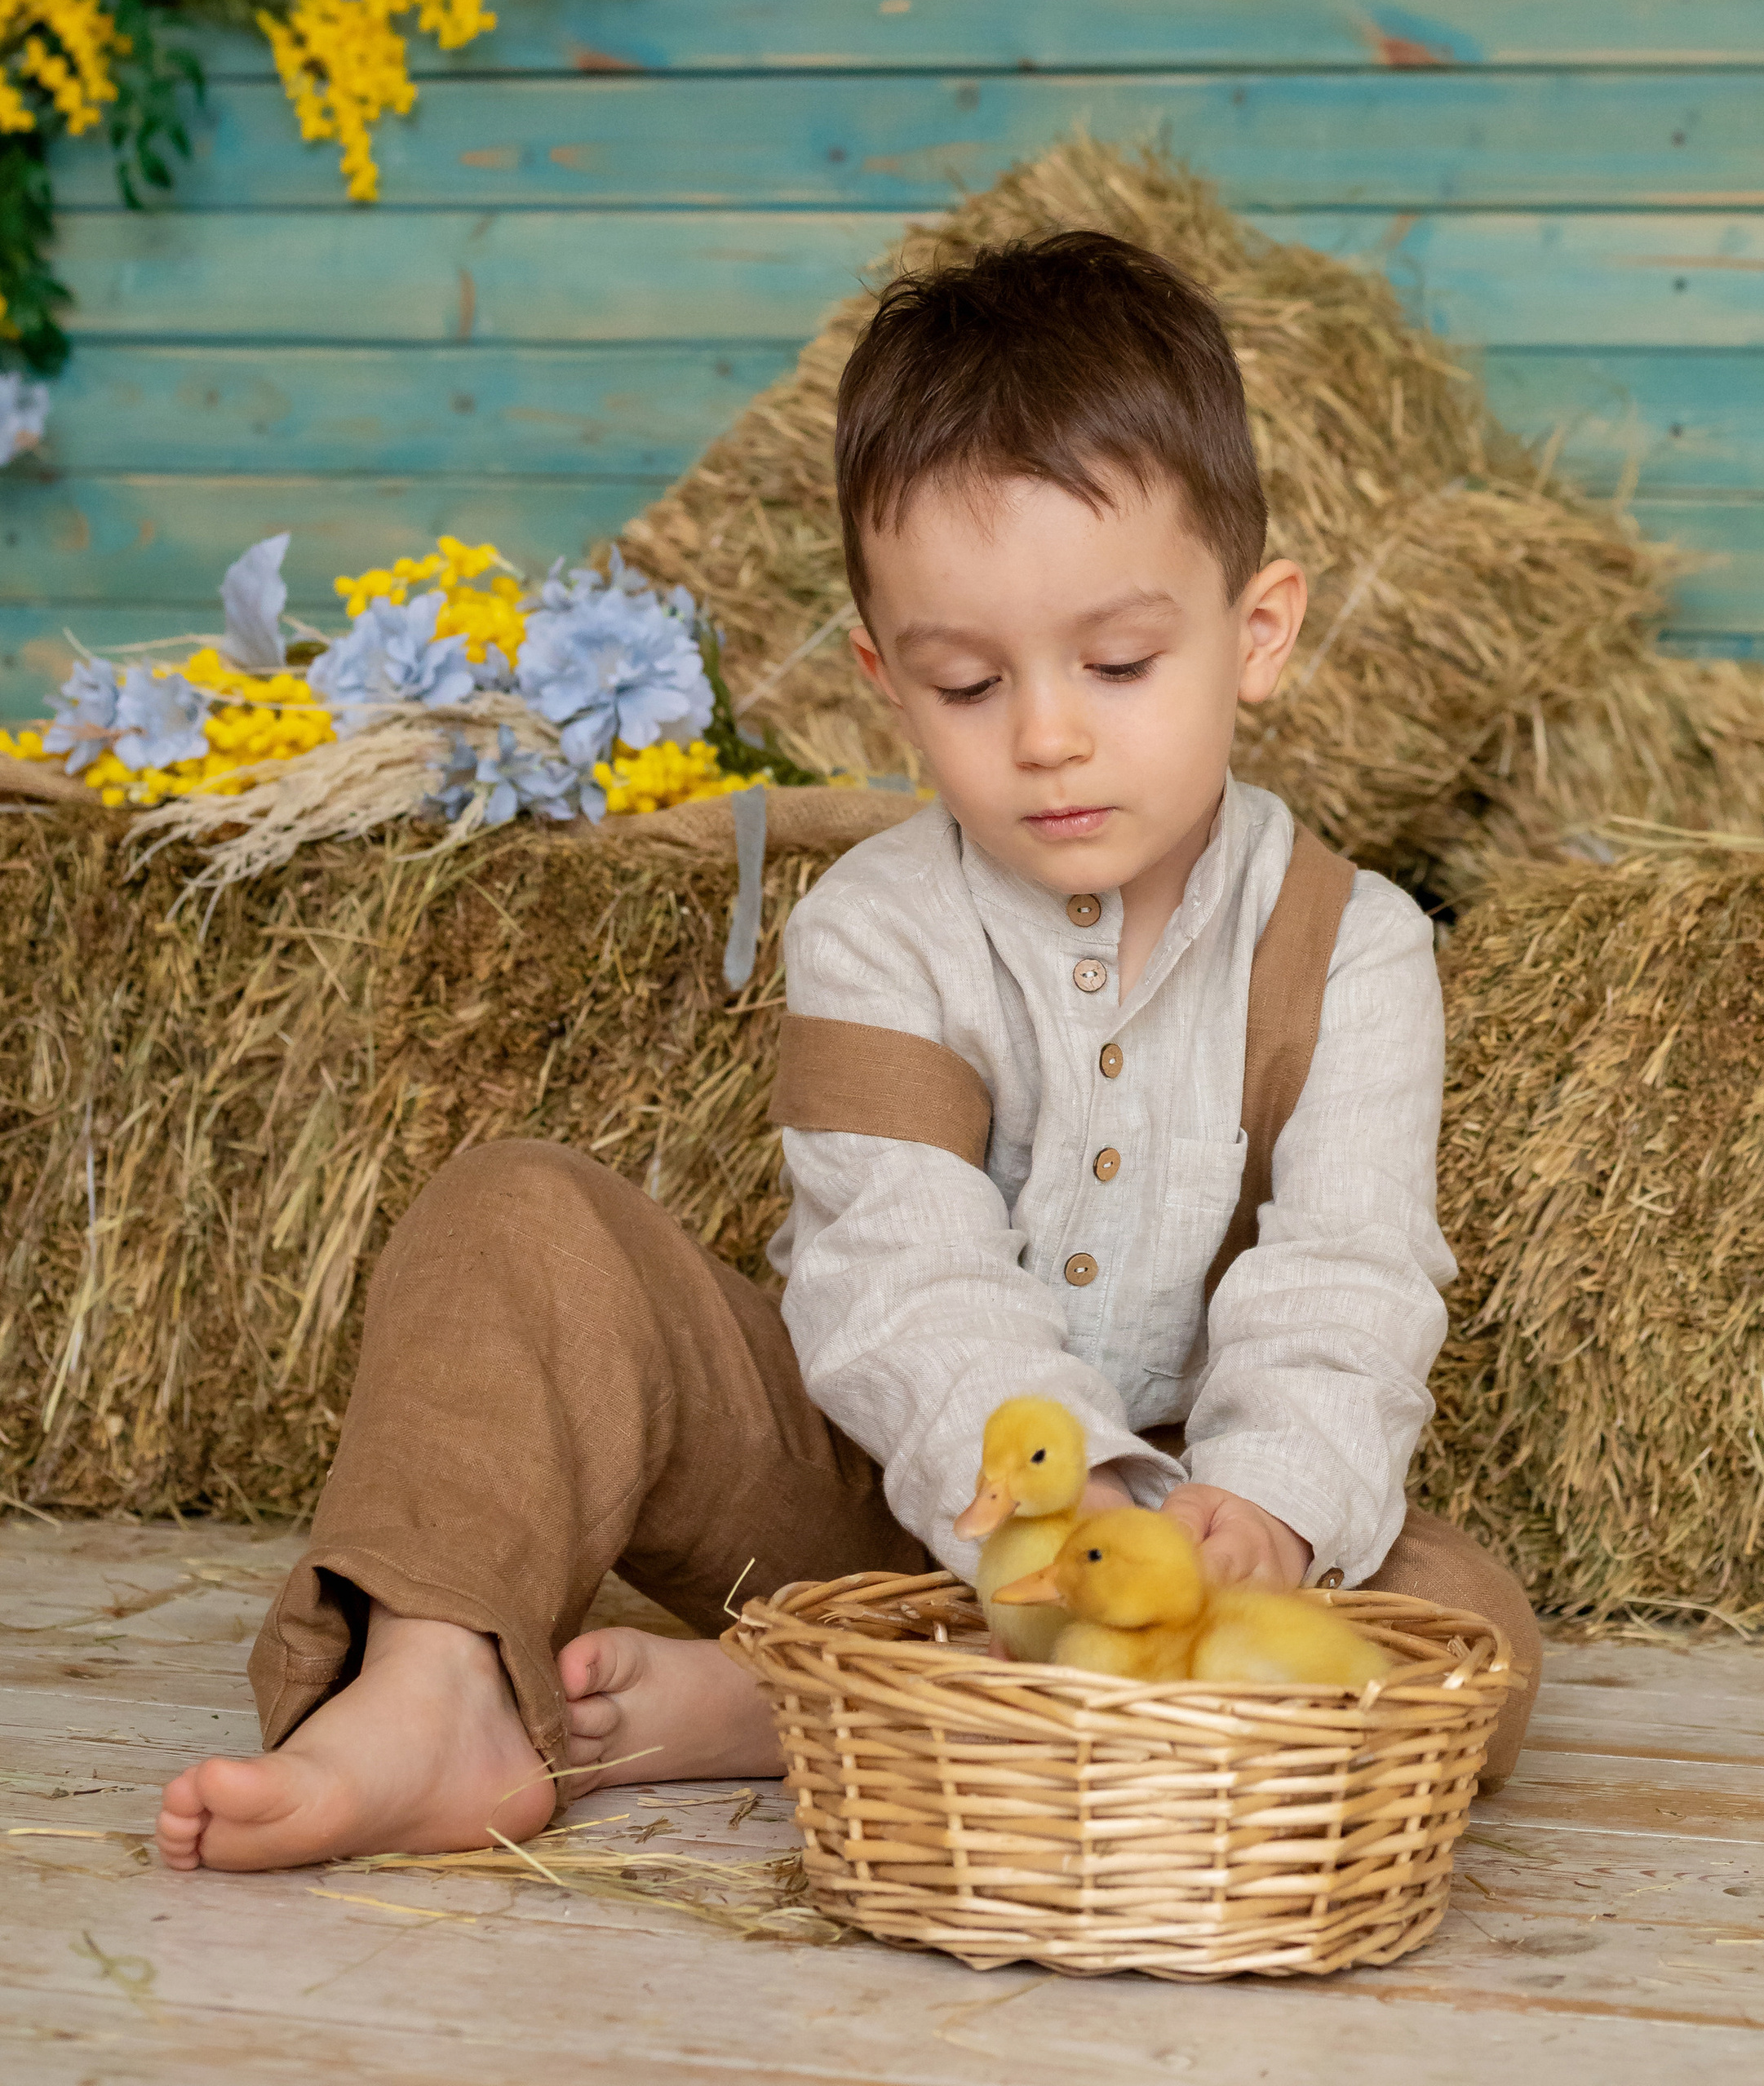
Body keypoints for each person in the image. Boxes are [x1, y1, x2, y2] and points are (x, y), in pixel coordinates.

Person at [157, 228, 1540, 1873]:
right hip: (883, 1498)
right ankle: (436, 1682)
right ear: (888, 684)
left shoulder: (1352, 943)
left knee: (1468, 1632)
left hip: (1205, 1536)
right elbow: (898, 1272)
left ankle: (791, 1706)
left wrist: (1266, 1508)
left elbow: (1349, 1274)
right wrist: (1044, 1505)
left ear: (1256, 631)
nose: (1045, 734)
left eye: (1116, 662)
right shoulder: (877, 928)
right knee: (510, 1215)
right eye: (968, 682)